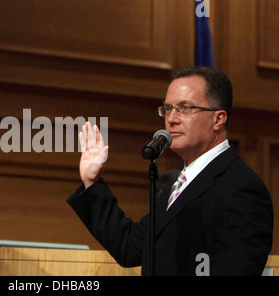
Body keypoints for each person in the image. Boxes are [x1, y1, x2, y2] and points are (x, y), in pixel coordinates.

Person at [67, 66, 273, 276]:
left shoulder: (241, 187)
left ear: (218, 119)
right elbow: (129, 247)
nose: (171, 119)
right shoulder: (174, 188)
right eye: (168, 108)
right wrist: (92, 182)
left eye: (185, 108)